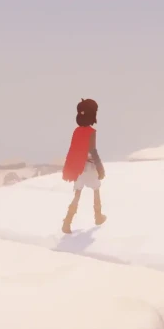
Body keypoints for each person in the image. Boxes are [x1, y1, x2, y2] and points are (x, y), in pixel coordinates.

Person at [61, 97, 106, 233]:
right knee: (96, 190)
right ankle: (98, 216)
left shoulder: (76, 131)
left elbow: (73, 149)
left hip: (78, 168)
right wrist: (100, 168)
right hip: (89, 167)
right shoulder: (91, 132)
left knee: (77, 193)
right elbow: (93, 151)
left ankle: (67, 222)